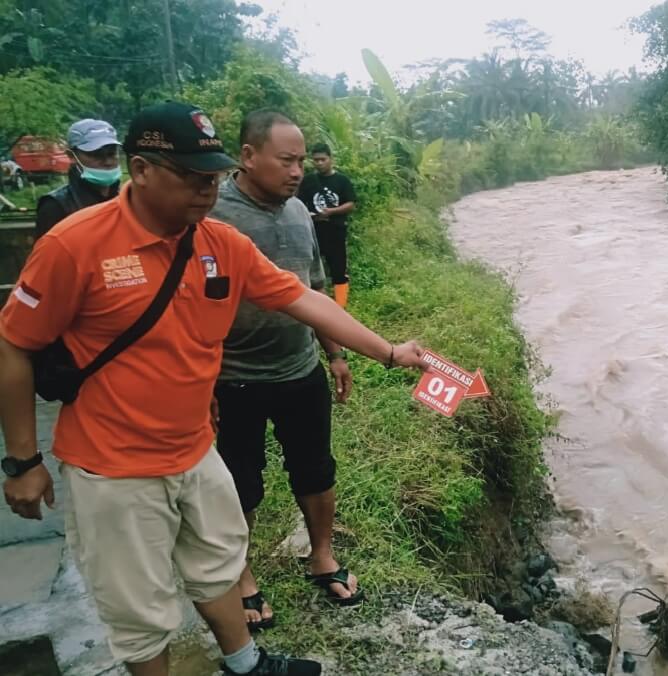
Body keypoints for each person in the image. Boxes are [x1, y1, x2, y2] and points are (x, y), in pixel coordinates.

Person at [0, 101, 426, 676]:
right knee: (140, 606)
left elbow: (306, 298)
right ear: (142, 168)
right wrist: (23, 460)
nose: (207, 191)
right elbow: (15, 344)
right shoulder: (75, 245)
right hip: (114, 467)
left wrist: (389, 351)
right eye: (194, 178)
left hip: (195, 448)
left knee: (219, 564)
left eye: (214, 177)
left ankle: (246, 664)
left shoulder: (219, 243)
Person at [209, 110, 359, 633]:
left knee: (316, 469)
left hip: (300, 368)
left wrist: (335, 352)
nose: (298, 171)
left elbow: (313, 289)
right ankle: (242, 575)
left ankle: (321, 554)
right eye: (286, 160)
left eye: (301, 160)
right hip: (232, 376)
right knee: (239, 482)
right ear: (248, 156)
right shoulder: (212, 213)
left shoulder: (299, 212)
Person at [35, 118, 123, 238]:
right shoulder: (55, 206)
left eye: (111, 154)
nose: (107, 162)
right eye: (96, 154)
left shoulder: (129, 199)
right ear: (72, 156)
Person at [298, 143, 355, 307]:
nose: (319, 163)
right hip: (313, 232)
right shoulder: (308, 181)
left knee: (339, 271)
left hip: (336, 231)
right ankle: (313, 307)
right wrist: (309, 215)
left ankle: (341, 307)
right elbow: (299, 203)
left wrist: (331, 212)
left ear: (331, 159)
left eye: (323, 159)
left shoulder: (342, 181)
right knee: (310, 270)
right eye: (316, 160)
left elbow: (350, 204)